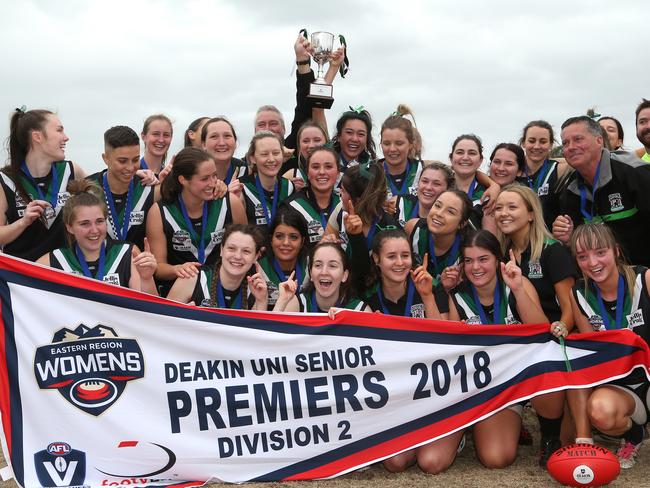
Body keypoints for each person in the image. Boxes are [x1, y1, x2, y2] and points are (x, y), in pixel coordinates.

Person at [445, 230, 548, 468]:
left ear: (498, 260)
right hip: (480, 387)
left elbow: (542, 331)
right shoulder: (457, 298)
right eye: (468, 261)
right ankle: (470, 427)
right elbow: (452, 353)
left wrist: (519, 289)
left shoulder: (516, 285)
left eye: (483, 259)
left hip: (515, 384)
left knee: (498, 458)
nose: (476, 267)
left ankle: (544, 431)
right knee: (494, 458)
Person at [494, 184, 577, 465]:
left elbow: (570, 308)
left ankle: (551, 436)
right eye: (499, 208)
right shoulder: (503, 252)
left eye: (512, 207)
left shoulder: (553, 251)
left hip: (554, 339)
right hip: (520, 339)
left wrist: (561, 330)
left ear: (531, 213)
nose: (503, 213)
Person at [568, 223, 650, 468]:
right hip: (621, 388)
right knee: (600, 412)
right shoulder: (579, 294)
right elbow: (593, 354)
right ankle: (633, 434)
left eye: (600, 252)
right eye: (583, 257)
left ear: (615, 251)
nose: (592, 262)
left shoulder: (644, 278)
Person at [552, 116, 650, 267]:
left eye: (578, 139)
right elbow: (579, 248)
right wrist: (569, 237)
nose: (570, 147)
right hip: (602, 275)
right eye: (565, 143)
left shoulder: (635, 172)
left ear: (599, 141)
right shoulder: (568, 189)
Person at [146, 147, 246, 292]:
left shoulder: (230, 203)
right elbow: (158, 267)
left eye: (214, 176)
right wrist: (176, 269)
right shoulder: (160, 212)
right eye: (204, 179)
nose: (212, 183)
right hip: (181, 291)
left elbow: (247, 247)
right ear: (183, 180)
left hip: (222, 290)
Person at [36, 180, 157, 294]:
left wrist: (146, 279)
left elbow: (150, 311)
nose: (94, 230)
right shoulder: (54, 261)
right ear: (69, 227)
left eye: (99, 221)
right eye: (85, 223)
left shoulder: (127, 254)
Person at [0, 108, 87, 261]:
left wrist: (138, 175)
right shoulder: (6, 180)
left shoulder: (70, 170)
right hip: (21, 279)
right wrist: (23, 222)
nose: (66, 138)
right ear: (37, 137)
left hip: (64, 274)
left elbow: (106, 188)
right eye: (59, 131)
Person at [166, 224, 268, 310]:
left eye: (246, 251)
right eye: (231, 248)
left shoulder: (256, 290)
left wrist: (261, 301)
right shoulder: (191, 278)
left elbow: (256, 332)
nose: (237, 256)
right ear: (221, 250)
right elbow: (164, 322)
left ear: (256, 256)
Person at [87, 126, 157, 250]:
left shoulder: (149, 186)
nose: (130, 167)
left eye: (135, 160)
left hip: (137, 266)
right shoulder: (87, 190)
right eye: (123, 161)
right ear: (106, 158)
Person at [273, 242, 371, 314]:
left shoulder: (358, 310)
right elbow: (272, 338)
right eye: (318, 265)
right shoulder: (299, 303)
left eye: (332, 266)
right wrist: (282, 302)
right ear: (311, 273)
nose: (324, 272)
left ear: (344, 275)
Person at [365, 229, 442, 320]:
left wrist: (427, 296)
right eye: (391, 256)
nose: (400, 263)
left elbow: (442, 333)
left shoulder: (433, 286)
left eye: (405, 255)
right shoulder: (368, 298)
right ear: (376, 258)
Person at [283, 146, 341, 249]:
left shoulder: (344, 205)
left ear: (337, 173)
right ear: (308, 173)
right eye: (315, 167)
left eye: (328, 166)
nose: (322, 172)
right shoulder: (291, 207)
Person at [238, 131, 295, 236]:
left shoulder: (290, 187)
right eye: (264, 154)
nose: (271, 159)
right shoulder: (242, 189)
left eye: (276, 153)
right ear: (252, 158)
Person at [517, 120, 568, 230]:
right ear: (523, 143)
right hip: (520, 240)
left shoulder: (559, 169)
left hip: (550, 240)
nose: (536, 146)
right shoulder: (514, 173)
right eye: (531, 141)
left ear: (551, 144)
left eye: (543, 141)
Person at [257, 209, 309, 309]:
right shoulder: (258, 269)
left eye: (293, 237)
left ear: (302, 241)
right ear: (271, 239)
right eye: (279, 236)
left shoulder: (311, 267)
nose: (286, 243)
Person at [448, 134, 498, 232]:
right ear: (451, 158)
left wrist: (494, 185)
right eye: (459, 152)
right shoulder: (438, 187)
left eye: (472, 153)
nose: (465, 157)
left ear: (480, 160)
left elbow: (490, 240)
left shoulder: (487, 196)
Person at [379, 106, 425, 200]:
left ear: (411, 144)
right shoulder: (370, 174)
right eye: (387, 143)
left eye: (399, 143)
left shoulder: (422, 173)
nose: (392, 149)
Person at [397, 162, 455, 228]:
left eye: (436, 184)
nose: (428, 187)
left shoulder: (450, 221)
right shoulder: (400, 206)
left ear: (448, 188)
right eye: (425, 181)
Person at [281, 120, 329, 189]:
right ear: (299, 146)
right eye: (305, 141)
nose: (311, 145)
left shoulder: (338, 175)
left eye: (317, 140)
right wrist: (290, 191)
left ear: (326, 143)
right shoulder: (291, 176)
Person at [201, 117, 248, 185]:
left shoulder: (246, 172)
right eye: (214, 137)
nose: (222, 143)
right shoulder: (192, 174)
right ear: (203, 144)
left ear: (235, 141)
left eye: (227, 136)